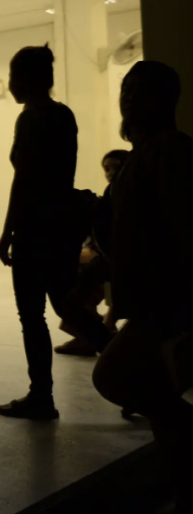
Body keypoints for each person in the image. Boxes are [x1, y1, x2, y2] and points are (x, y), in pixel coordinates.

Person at [93, 61, 193, 512]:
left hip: (166, 303)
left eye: (140, 90)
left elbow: (179, 229)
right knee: (157, 398)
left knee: (113, 375)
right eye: (126, 89)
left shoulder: (170, 150)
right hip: (151, 300)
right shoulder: (144, 155)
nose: (128, 97)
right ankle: (181, 484)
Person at [0, 45, 113, 420]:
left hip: (36, 229)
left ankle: (41, 396)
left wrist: (8, 230)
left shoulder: (31, 119)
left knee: (32, 315)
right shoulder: (63, 115)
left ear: (25, 79)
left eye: (13, 76)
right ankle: (136, 371)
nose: (10, 84)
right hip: (62, 227)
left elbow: (24, 180)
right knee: (67, 305)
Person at [54, 149, 129, 357]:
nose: (111, 172)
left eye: (116, 167)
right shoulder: (112, 192)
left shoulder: (126, 192)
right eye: (107, 169)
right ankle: (95, 332)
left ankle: (95, 335)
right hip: (113, 259)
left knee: (77, 289)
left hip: (122, 261)